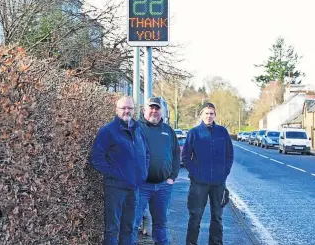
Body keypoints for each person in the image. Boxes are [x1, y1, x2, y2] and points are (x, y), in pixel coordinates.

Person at [90, 96, 150, 245]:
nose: (126, 111)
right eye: (123, 108)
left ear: (134, 110)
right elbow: (96, 158)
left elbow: (146, 153)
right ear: (116, 110)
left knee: (129, 228)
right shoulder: (108, 131)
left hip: (134, 188)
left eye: (130, 108)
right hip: (115, 188)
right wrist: (115, 174)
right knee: (112, 228)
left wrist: (143, 173)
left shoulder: (138, 130)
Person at [182, 102, 234, 245]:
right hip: (199, 183)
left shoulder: (222, 132)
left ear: (215, 115)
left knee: (217, 217)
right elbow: (186, 157)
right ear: (201, 115)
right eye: (206, 113)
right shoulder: (194, 133)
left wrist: (225, 173)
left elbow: (229, 155)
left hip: (218, 183)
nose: (209, 116)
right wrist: (195, 173)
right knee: (195, 216)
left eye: (211, 113)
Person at [132, 97, 180, 245]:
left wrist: (172, 177)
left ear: (162, 111)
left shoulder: (168, 130)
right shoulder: (135, 128)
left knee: (160, 224)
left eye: (157, 108)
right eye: (151, 108)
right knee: (133, 223)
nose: (154, 111)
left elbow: (176, 154)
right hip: (141, 186)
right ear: (144, 110)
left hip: (163, 186)